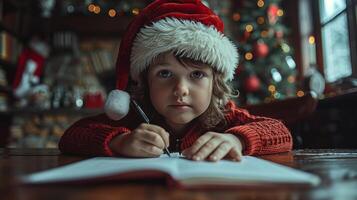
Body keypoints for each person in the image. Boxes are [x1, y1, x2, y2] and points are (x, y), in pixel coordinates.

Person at [59, 0, 292, 162]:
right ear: (145, 82)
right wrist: (119, 142)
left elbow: (281, 132)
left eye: (197, 75)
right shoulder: (132, 119)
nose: (180, 90)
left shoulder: (225, 117)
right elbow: (72, 136)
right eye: (165, 74)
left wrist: (238, 139)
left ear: (215, 84)